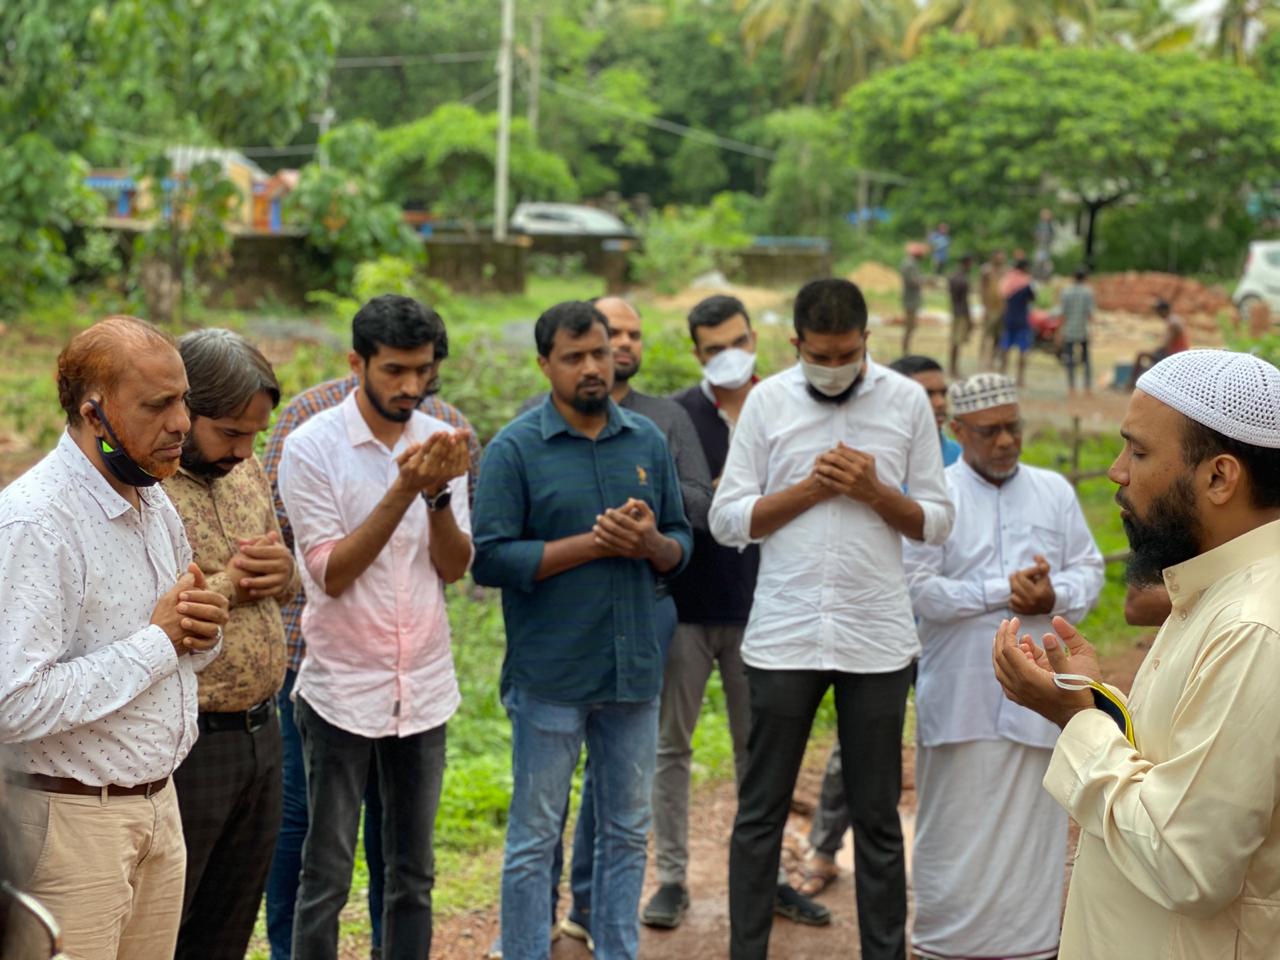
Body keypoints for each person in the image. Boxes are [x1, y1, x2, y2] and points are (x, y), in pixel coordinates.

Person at [993, 349, 1280, 958]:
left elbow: (1186, 862)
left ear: (1219, 478)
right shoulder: (1218, 590)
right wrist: (1096, 701)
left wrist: (1077, 721)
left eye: (1139, 452)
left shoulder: (1253, 626)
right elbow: (1177, 762)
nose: (1117, 472)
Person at [711, 278, 954, 960]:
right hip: (784, 636)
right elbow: (728, 519)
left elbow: (937, 521)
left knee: (877, 818)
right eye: (820, 356)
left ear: (867, 340)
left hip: (876, 639)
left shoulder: (906, 402)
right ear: (796, 343)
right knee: (760, 814)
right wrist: (810, 490)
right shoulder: (766, 402)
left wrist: (874, 491)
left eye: (846, 354)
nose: (834, 367)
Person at [0, 315, 229, 960]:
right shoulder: (35, 524)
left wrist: (200, 630)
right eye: (158, 405)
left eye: (183, 400)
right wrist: (160, 641)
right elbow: (13, 702)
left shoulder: (152, 497)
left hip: (158, 807)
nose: (182, 422)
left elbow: (178, 647)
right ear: (93, 415)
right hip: (69, 827)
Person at [472, 301, 692, 960]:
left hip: (633, 675)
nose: (592, 366)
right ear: (546, 365)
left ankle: (617, 951)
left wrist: (651, 543)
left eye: (599, 352)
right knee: (535, 839)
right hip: (551, 677)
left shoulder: (646, 441)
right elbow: (491, 559)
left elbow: (680, 542)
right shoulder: (515, 448)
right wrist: (592, 545)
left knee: (626, 832)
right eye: (574, 357)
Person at [260, 326, 481, 960]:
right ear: (357, 362)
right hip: (340, 688)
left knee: (413, 873)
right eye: (395, 370)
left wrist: (436, 495)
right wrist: (404, 488)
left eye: (423, 371)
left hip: (423, 688)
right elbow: (330, 572)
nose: (412, 386)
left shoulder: (442, 439)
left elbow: (454, 567)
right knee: (326, 873)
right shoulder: (311, 445)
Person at [643, 295, 829, 931]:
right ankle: (671, 878)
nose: (730, 356)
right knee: (672, 746)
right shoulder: (677, 417)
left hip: (764, 610)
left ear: (756, 338)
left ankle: (766, 877)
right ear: (696, 353)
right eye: (714, 348)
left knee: (761, 751)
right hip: (687, 609)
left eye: (738, 342)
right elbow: (671, 503)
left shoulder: (786, 404)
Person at [904, 373, 1104, 959]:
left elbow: (1089, 570)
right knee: (952, 827)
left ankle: (1031, 946)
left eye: (1013, 427)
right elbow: (920, 590)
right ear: (955, 430)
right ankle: (943, 945)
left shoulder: (1053, 491)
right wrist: (1003, 591)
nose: (1006, 441)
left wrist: (1052, 596)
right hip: (960, 695)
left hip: (1039, 695)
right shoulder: (934, 499)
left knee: (1035, 827)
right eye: (989, 431)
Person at [800, 353, 960, 896]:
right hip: (879, 625)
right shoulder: (867, 457)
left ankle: (947, 862)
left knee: (950, 739)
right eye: (924, 393)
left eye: (941, 393)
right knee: (859, 746)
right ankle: (824, 848)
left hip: (945, 627)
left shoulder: (961, 459)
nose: (935, 403)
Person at [164, 329, 297, 960]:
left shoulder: (246, 471)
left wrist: (286, 572)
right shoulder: (146, 491)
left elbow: (280, 574)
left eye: (254, 435)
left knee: (232, 919)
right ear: (181, 411)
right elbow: (143, 619)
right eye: (230, 433)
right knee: (168, 921)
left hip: (263, 731)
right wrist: (232, 585)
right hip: (189, 741)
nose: (244, 451)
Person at [1127, 299, 1190, 389]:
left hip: (1173, 355)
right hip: (1178, 353)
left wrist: (1155, 351)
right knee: (1151, 355)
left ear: (1163, 311)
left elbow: (1166, 345)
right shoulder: (1174, 319)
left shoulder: (1172, 323)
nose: (1157, 314)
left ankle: (1131, 384)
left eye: (1158, 311)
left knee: (1141, 355)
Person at [997, 258, 1036, 387]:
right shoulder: (1026, 283)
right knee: (1023, 350)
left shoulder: (1007, 280)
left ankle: (1002, 376)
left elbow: (1002, 296)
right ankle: (1020, 378)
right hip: (1022, 320)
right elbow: (1033, 298)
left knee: (1005, 349)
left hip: (1009, 319)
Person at [1059, 267, 1095, 394]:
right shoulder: (1088, 292)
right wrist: (1093, 330)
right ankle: (1087, 387)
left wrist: (1059, 331)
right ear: (1085, 278)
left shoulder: (1066, 292)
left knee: (1069, 359)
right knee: (1086, 360)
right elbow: (1090, 314)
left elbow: (1063, 313)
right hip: (1082, 330)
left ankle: (1071, 387)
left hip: (1069, 330)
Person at [979, 250, 1007, 368]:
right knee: (986, 334)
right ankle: (982, 358)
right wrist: (984, 306)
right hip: (990, 308)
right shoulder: (986, 270)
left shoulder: (1005, 271)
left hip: (1002, 307)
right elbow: (982, 288)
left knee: (998, 336)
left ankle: (993, 358)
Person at [947, 254, 973, 378]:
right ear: (966, 263)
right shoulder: (962, 279)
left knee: (955, 342)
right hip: (961, 313)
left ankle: (952, 368)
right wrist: (969, 318)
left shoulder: (953, 276)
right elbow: (964, 300)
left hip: (955, 311)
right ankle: (953, 369)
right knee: (956, 342)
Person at [900, 242, 926, 355]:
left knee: (911, 326)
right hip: (910, 299)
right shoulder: (909, 265)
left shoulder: (911, 264)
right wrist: (923, 281)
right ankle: (905, 351)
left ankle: (906, 350)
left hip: (911, 298)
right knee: (909, 327)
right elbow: (912, 281)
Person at [1032, 208, 1055, 281]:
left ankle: (1045, 278)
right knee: (1039, 262)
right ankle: (1038, 277)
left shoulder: (1050, 225)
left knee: (1046, 263)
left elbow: (1052, 235)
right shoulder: (1039, 225)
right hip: (1040, 246)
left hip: (1046, 247)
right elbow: (1036, 235)